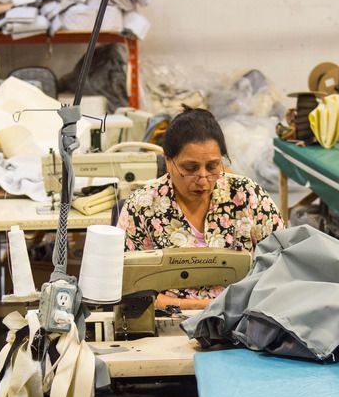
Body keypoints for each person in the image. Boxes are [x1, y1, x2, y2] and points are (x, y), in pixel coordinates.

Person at [117, 108, 284, 310]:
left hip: (243, 318)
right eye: (190, 168)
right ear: (168, 162)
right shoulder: (142, 205)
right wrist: (206, 306)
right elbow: (127, 287)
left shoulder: (247, 196)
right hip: (166, 321)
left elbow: (281, 267)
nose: (203, 179)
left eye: (213, 166)